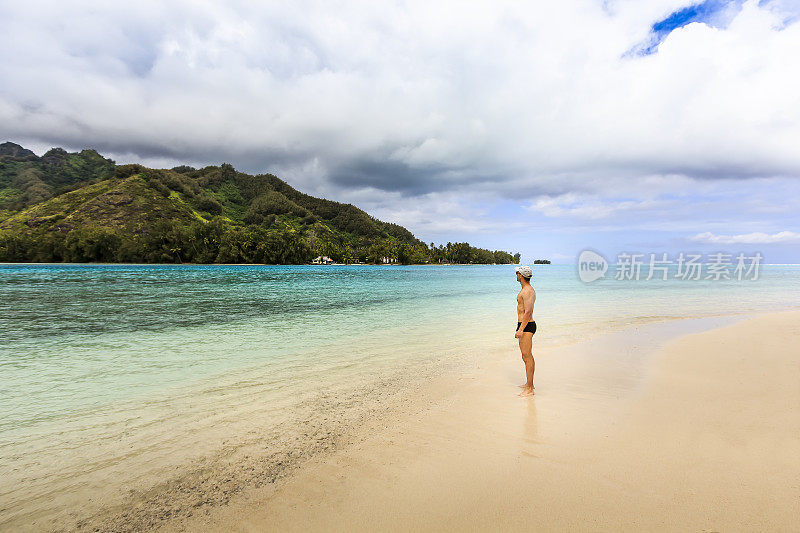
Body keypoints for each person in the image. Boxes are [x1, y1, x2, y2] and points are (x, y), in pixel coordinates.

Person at [515, 265, 536, 397]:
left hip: (527, 326)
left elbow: (528, 312)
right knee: (525, 356)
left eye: (517, 273)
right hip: (524, 325)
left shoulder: (527, 291)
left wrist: (521, 329)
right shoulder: (525, 290)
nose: (516, 274)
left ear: (521, 275)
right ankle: (529, 384)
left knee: (527, 356)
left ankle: (530, 389)